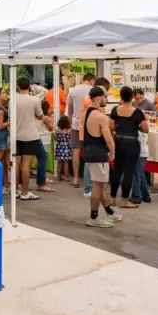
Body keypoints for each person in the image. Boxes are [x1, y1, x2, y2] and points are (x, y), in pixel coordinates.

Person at [83, 86, 119, 228]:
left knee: (100, 185)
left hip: (91, 151)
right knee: (98, 186)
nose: (106, 99)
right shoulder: (101, 116)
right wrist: (112, 151)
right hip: (99, 153)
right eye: (105, 97)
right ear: (98, 98)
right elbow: (109, 139)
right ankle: (94, 217)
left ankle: (109, 212)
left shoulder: (88, 112)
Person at [109, 86, 147, 209]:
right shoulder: (137, 112)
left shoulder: (115, 110)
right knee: (129, 172)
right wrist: (137, 126)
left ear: (121, 96)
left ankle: (112, 198)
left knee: (117, 170)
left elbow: (111, 126)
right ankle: (125, 200)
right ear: (132, 97)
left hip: (118, 141)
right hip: (132, 143)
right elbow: (146, 129)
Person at [14, 77, 45, 201]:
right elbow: (40, 116)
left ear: (17, 86)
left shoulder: (13, 100)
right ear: (29, 87)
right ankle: (25, 191)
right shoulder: (35, 100)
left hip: (16, 134)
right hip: (30, 135)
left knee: (16, 163)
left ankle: (15, 190)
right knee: (26, 164)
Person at [66, 73, 95, 189]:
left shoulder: (73, 90)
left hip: (76, 124)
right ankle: (89, 179)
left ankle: (76, 178)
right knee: (89, 151)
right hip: (90, 124)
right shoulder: (93, 90)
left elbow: (70, 111)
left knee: (76, 151)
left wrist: (70, 124)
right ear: (92, 80)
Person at [128, 128, 152, 205]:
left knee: (136, 175)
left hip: (138, 152)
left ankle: (136, 196)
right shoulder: (143, 125)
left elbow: (136, 140)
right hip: (143, 152)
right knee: (141, 174)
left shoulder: (137, 126)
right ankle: (145, 195)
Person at [34, 99, 53, 193]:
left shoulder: (36, 118)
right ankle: (43, 178)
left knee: (39, 159)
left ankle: (40, 175)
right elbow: (50, 128)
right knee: (43, 159)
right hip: (45, 138)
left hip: (37, 137)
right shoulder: (46, 118)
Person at [55, 115, 72, 181]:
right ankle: (66, 177)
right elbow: (70, 138)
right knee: (66, 163)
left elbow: (55, 139)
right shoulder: (68, 130)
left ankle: (58, 176)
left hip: (59, 148)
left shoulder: (58, 130)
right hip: (66, 148)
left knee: (59, 162)